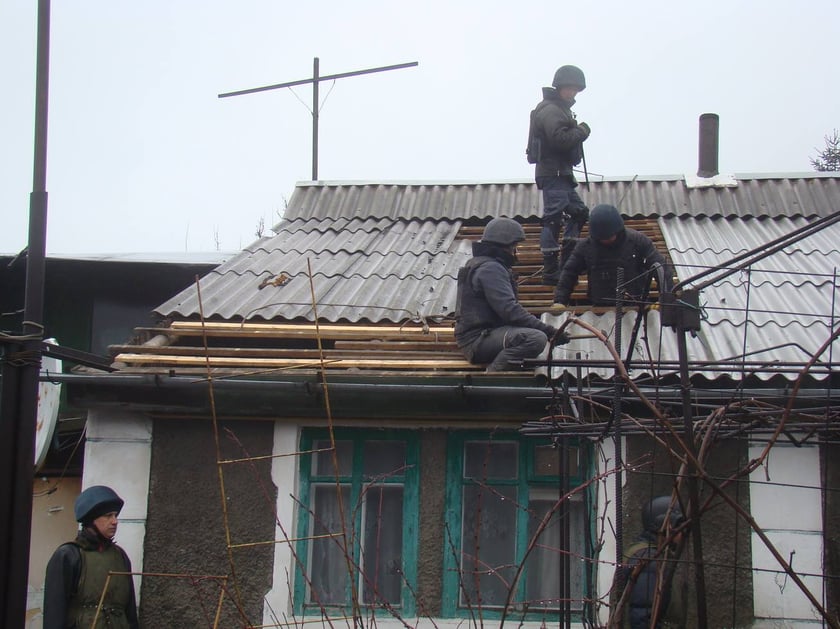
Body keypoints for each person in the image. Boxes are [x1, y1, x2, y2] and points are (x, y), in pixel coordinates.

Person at [455, 217, 569, 371]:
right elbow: (510, 310)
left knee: (532, 338)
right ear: (505, 246)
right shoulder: (490, 269)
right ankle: (494, 374)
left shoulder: (484, 263)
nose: (516, 251)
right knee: (535, 339)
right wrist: (549, 331)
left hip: (485, 334)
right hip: (477, 340)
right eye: (514, 246)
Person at [527, 64, 592, 285]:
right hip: (553, 173)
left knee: (579, 212)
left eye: (576, 90)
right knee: (553, 219)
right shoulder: (551, 109)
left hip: (561, 173)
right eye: (570, 88)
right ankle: (551, 271)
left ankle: (567, 263)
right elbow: (560, 140)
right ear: (561, 87)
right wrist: (582, 131)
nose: (573, 93)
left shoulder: (560, 109)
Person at [44, 485, 139, 629]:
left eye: (115, 515)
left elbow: (130, 612)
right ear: (91, 520)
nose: (115, 521)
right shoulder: (69, 556)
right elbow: (54, 614)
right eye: (108, 516)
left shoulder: (120, 556)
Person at [552, 204, 673, 310]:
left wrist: (665, 297)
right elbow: (569, 272)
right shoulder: (585, 247)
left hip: (636, 305)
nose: (606, 241)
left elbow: (661, 268)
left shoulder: (638, 241)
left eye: (609, 237)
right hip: (600, 307)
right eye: (602, 239)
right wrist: (560, 300)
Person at [611, 496, 688, 629]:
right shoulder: (651, 563)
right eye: (679, 526)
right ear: (665, 525)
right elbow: (642, 617)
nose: (683, 533)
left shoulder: (644, 554)